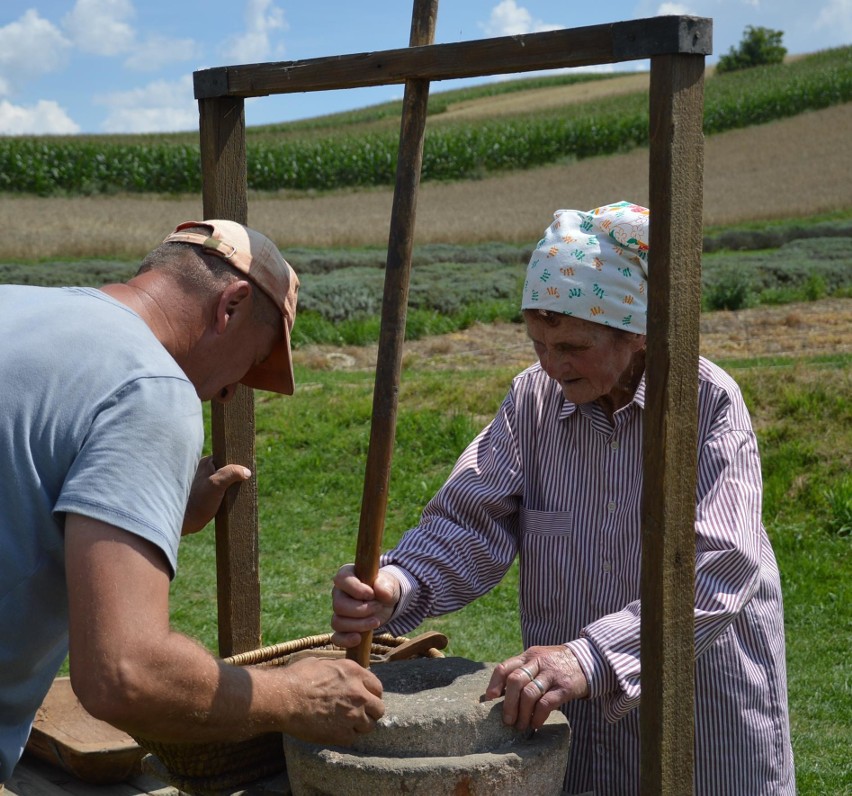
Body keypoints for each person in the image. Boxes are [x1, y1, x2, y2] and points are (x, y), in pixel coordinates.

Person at [331, 201, 794, 795]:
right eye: (538, 344)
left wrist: (590, 658)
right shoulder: (533, 403)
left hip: (699, 706)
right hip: (579, 720)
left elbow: (717, 569)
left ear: (636, 332)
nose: (551, 365)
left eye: (572, 346)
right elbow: (473, 522)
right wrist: (398, 586)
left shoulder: (706, 403)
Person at [0, 219, 383, 784]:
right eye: (249, 362)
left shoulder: (18, 306)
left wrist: (156, 510)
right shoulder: (148, 387)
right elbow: (124, 674)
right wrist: (293, 698)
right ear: (230, 305)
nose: (229, 393)